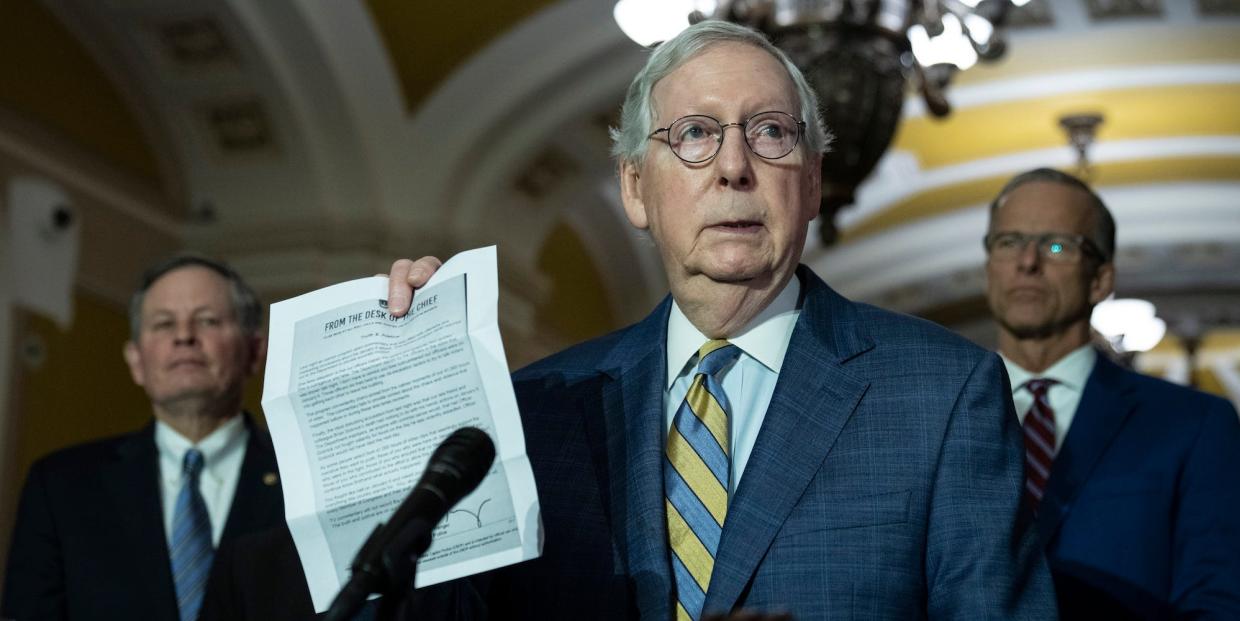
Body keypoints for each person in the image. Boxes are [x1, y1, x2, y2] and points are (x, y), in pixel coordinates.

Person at [205, 20, 1054, 620]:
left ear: (813, 180)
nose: (732, 166)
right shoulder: (539, 405)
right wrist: (408, 383)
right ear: (635, 189)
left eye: (769, 133)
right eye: (692, 134)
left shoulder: (941, 392)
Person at [983, 167, 1240, 618]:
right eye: (1009, 242)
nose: (1027, 262)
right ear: (989, 266)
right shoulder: (931, 417)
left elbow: (1216, 601)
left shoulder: (1195, 424)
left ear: (1100, 280)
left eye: (1056, 245)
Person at [2, 255, 286, 621]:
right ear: (135, 360)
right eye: (164, 324)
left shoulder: (306, 477)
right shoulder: (60, 485)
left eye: (208, 321)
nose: (184, 337)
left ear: (254, 351)